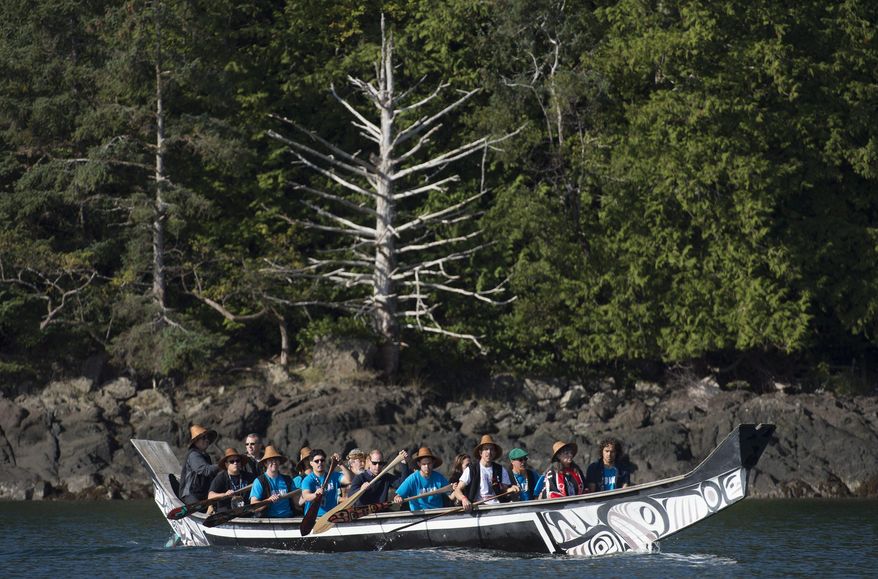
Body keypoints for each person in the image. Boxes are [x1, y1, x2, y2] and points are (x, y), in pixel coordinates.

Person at [453, 435, 519, 510]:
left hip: (498, 508)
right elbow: (457, 490)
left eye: (491, 449)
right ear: (481, 452)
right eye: (486, 449)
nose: (489, 452)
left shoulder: (501, 470)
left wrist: (512, 489)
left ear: (494, 453)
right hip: (478, 509)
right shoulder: (471, 470)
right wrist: (464, 499)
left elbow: (505, 490)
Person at [300, 449, 353, 516]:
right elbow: (306, 496)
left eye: (322, 460)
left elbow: (350, 480)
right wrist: (315, 495)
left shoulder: (334, 476)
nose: (320, 463)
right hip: (314, 517)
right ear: (311, 463)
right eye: (316, 461)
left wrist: (341, 464)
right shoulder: (308, 480)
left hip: (332, 516)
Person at [249, 446, 297, 517]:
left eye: (276, 460)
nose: (274, 462)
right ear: (265, 463)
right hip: (269, 521)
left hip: (289, 518)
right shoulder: (259, 481)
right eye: (271, 460)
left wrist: (306, 493)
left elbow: (297, 502)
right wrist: (268, 501)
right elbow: (253, 506)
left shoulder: (288, 480)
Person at [179, 424, 220, 506]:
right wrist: (221, 465)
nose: (207, 440)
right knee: (199, 508)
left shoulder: (206, 456)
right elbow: (204, 470)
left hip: (203, 494)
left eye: (207, 438)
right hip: (190, 494)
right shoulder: (193, 454)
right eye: (204, 438)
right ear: (196, 441)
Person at [208, 448, 255, 512]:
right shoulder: (221, 478)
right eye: (232, 461)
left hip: (245, 512)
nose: (235, 463)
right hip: (226, 514)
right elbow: (210, 496)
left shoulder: (249, 476)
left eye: (237, 461)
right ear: (226, 464)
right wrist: (225, 494)